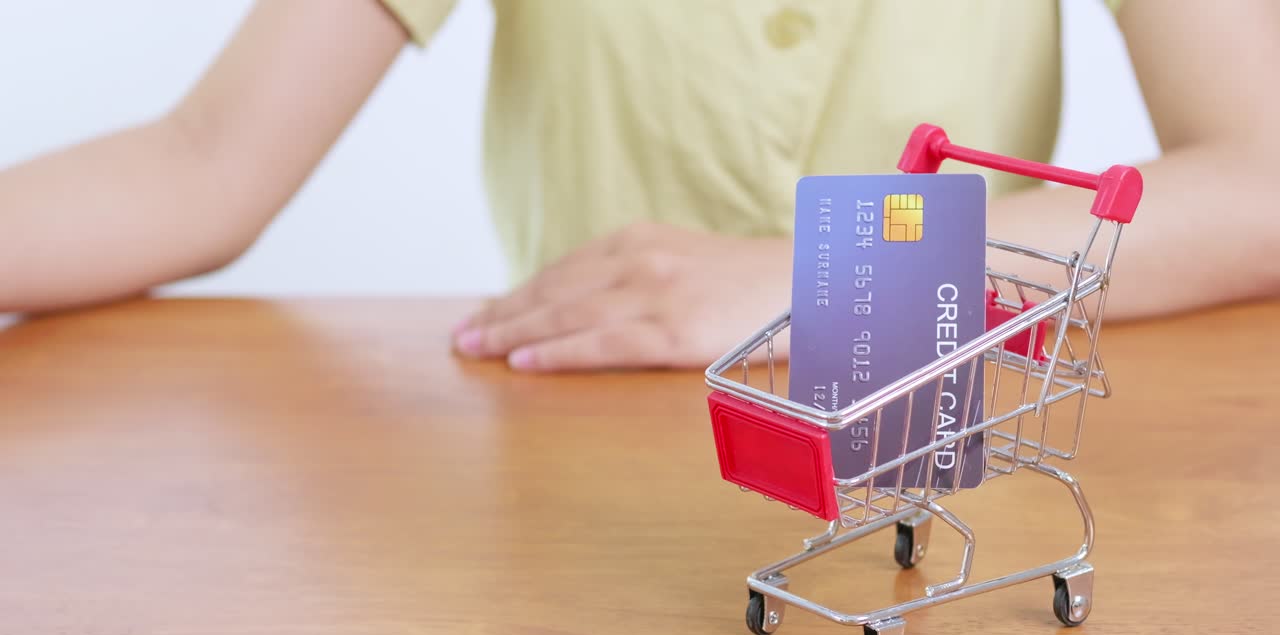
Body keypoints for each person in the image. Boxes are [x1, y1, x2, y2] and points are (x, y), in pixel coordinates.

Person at [0, 1, 1276, 371]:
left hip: (931, 424)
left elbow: (1264, 180)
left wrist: (817, 279)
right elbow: (203, 160)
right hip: (574, 447)